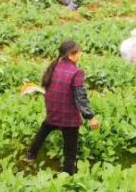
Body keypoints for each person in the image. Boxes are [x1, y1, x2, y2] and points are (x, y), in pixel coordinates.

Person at [24, 40, 99, 175]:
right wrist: (91, 116)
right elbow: (80, 97)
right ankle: (67, 174)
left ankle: (31, 155)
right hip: (68, 117)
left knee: (44, 129)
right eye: (79, 52)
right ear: (71, 54)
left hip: (53, 111)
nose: (81, 54)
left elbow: (48, 88)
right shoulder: (77, 72)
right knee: (70, 151)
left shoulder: (55, 66)